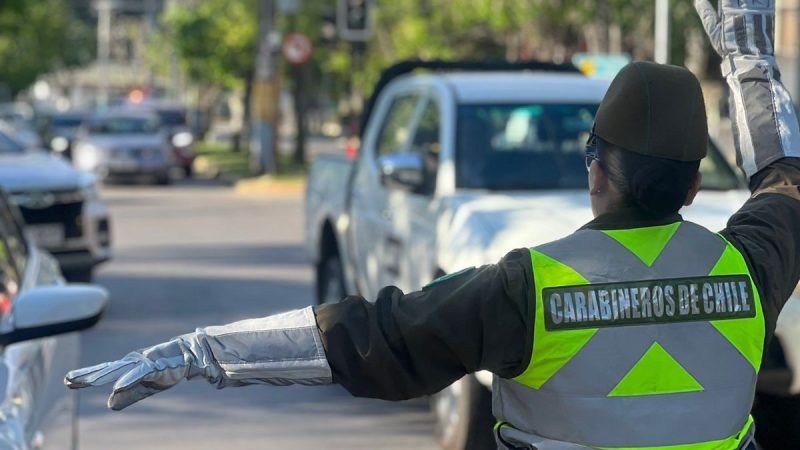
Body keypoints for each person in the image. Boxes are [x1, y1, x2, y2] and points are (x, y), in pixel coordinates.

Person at [66, 2, 800, 449]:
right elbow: (783, 183)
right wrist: (747, 51)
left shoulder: (531, 289)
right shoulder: (750, 268)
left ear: (596, 173)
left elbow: (370, 339)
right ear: (697, 182)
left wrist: (203, 351)